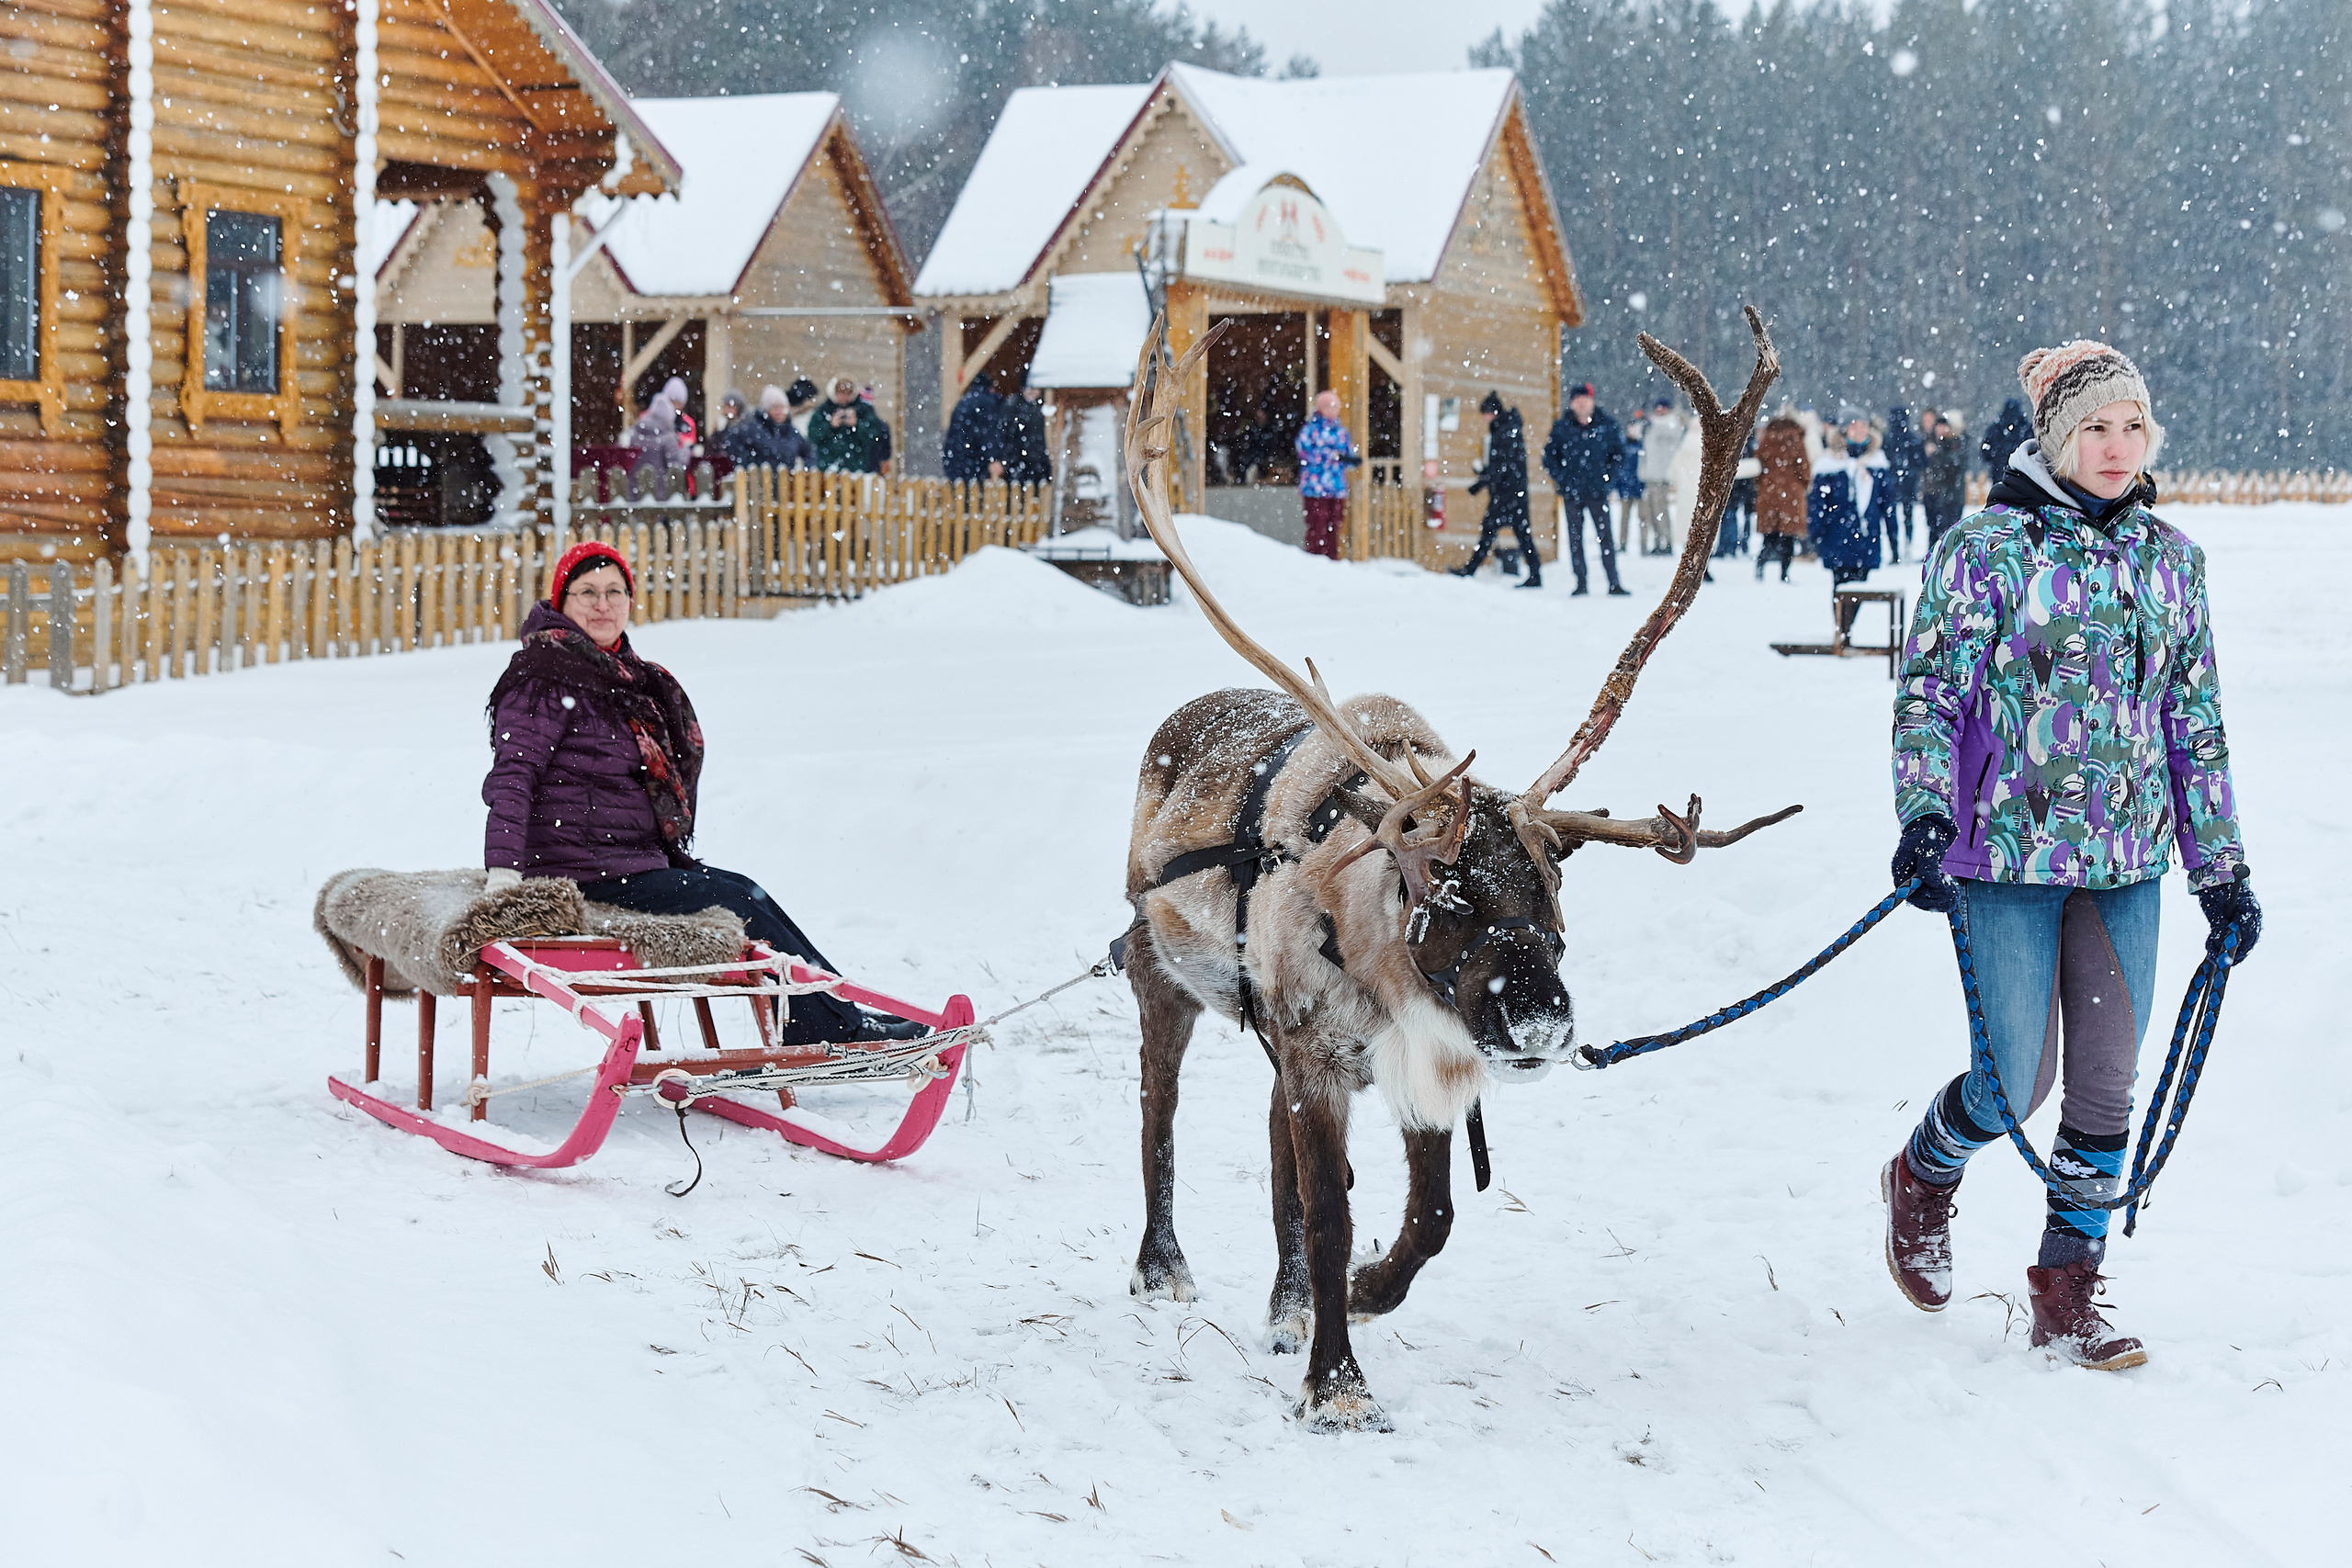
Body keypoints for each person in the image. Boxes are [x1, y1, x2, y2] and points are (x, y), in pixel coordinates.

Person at [1883, 340, 2257, 1371]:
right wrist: (1922, 811)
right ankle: (1922, 1175)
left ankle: (2068, 1288)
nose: (2116, 445)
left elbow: (2194, 721)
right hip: (2002, 858)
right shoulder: (1986, 549)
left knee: (2105, 1084)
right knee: (2012, 1086)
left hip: (2126, 864)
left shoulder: (2172, 562)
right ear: (2054, 437)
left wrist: (2218, 867)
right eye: (2094, 426)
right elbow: (1932, 691)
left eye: (2132, 426)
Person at [482, 541, 924, 1046]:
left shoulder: (627, 678)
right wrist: (504, 876)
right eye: (586, 593)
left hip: (628, 862)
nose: (602, 605)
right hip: (579, 872)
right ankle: (834, 1027)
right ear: (561, 602)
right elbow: (513, 775)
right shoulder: (543, 676)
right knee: (738, 901)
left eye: (613, 592)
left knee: (748, 893)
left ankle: (837, 1012)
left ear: (630, 601)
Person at [1540, 380, 1630, 596]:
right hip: (1572, 493)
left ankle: (1613, 581)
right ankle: (1580, 581)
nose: (1581, 404)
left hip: (1598, 492)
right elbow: (1549, 457)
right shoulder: (1562, 427)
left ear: (1592, 401)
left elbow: (1619, 455)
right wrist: (1562, 479)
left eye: (1584, 399)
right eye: (1577, 400)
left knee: (1605, 537)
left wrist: (1608, 479)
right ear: (1572, 403)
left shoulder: (1606, 425)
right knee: (1575, 538)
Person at [1451, 390, 1541, 588]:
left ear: (1493, 412)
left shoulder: (1505, 431)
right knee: (1516, 534)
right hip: (1510, 492)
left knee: (1497, 532)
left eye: (1485, 413)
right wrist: (1485, 476)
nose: (1484, 418)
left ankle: (1470, 570)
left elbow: (1503, 466)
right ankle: (1535, 573)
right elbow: (1501, 466)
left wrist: (1481, 482)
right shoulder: (1505, 429)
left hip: (1508, 494)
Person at [1806, 405, 1890, 601]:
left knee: (1859, 589)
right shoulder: (1829, 464)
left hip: (1866, 537)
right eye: (1855, 426)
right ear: (1844, 430)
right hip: (1837, 537)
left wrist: (1894, 536)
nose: (1861, 431)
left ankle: (1846, 627)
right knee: (1840, 590)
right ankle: (1842, 629)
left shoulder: (1877, 462)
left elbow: (1887, 503)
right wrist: (1816, 533)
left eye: (1864, 426)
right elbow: (1818, 503)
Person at [1293, 389, 1361, 561]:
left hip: (1336, 488)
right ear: (1321, 408)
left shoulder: (1341, 432)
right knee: (1317, 526)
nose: (1333, 410)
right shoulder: (1310, 431)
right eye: (1330, 406)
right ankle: (1315, 560)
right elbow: (1304, 453)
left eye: (1336, 406)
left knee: (1335, 525)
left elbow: (1348, 455)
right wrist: (1330, 456)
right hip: (1315, 488)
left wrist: (1350, 460)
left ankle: (1332, 560)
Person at [1753, 405, 1811, 582]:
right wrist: (1802, 483)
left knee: (1769, 537)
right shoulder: (1797, 437)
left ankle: (1760, 565)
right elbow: (1804, 467)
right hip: (1791, 494)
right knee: (1788, 538)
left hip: (1769, 491)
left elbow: (1758, 462)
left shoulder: (1768, 436)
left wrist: (1763, 483)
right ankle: (1784, 573)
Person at [717, 384, 814, 471]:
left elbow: (809, 451)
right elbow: (732, 445)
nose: (779, 411)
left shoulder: (792, 432)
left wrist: (808, 469)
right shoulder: (753, 429)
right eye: (775, 408)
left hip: (787, 485)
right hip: (760, 485)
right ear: (766, 410)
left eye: (782, 407)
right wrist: (749, 468)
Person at [809, 377, 891, 474]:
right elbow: (813, 435)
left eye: (847, 394)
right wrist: (830, 425)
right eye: (841, 393)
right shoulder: (824, 410)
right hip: (828, 467)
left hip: (857, 468)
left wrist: (856, 425)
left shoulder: (863, 410)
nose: (844, 397)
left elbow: (873, 436)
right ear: (835, 394)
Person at [1634, 398, 1683, 555]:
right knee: (1652, 511)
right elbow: (1635, 432)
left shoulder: (1671, 422)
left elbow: (1671, 431)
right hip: (1650, 474)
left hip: (1662, 475)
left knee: (1662, 510)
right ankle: (1657, 541)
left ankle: (1667, 541)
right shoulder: (1652, 424)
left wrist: (1650, 422)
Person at [1919, 412, 1969, 556]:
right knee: (1937, 526)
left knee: (1950, 526)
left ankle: (1947, 554)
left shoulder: (1955, 442)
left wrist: (1936, 454)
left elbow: (1954, 465)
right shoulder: (1936, 442)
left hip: (1951, 493)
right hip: (1939, 492)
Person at [943, 371, 1002, 482]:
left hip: (956, 461)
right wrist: (994, 458)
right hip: (975, 462)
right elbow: (988, 434)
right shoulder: (987, 403)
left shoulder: (962, 402)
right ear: (990, 388)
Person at [1883, 405, 1924, 559]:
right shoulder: (1912, 439)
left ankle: (1896, 550)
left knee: (1892, 518)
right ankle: (1905, 547)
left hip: (1895, 484)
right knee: (1906, 517)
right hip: (1906, 484)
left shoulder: (1888, 439)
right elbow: (1921, 462)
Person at [994, 377, 1052, 486]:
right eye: (1028, 388)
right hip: (1018, 465)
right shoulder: (1012, 406)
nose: (1032, 392)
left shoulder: (1041, 408)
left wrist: (1045, 465)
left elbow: (1042, 441)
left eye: (1035, 388)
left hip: (1037, 465)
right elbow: (1005, 436)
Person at [628, 393, 687, 479]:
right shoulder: (668, 438)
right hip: (660, 489)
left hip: (636, 487)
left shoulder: (634, 434)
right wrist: (686, 450)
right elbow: (676, 464)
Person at [1981, 396, 2032, 488]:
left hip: (1999, 476)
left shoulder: (1996, 428)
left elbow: (1985, 454)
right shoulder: (2026, 428)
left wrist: (1996, 457)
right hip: (2021, 477)